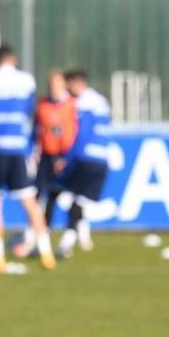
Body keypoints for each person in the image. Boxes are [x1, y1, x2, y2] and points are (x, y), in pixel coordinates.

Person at [0, 45, 54, 272]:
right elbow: (33, 118)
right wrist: (34, 144)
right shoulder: (27, 81)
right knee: (30, 201)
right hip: (18, 149)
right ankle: (47, 253)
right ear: (13, 59)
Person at [56, 69, 114, 259]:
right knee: (80, 200)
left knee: (73, 200)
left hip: (86, 158)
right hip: (102, 158)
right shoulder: (100, 101)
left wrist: (67, 157)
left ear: (75, 83)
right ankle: (83, 237)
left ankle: (66, 242)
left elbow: (81, 135)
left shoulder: (82, 103)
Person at [18, 69, 76, 259]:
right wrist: (34, 150)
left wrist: (65, 157)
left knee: (67, 197)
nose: (54, 88)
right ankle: (35, 238)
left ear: (64, 85)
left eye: (57, 84)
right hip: (44, 157)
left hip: (63, 157)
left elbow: (72, 133)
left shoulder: (71, 105)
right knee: (36, 196)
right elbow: (36, 130)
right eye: (51, 84)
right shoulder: (42, 104)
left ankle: (72, 238)